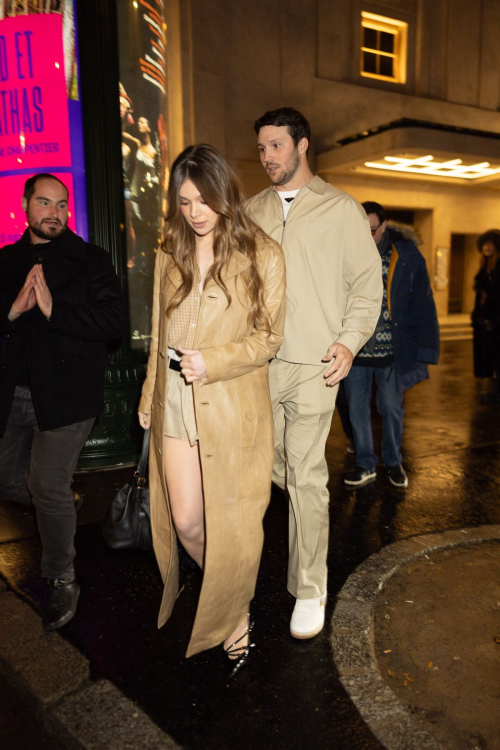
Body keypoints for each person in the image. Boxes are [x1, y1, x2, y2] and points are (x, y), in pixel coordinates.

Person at [137, 144, 285, 673]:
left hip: (228, 401)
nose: (195, 211)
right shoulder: (169, 254)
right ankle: (232, 600)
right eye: (184, 201)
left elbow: (270, 338)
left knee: (232, 522)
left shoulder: (260, 252)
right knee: (187, 522)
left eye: (204, 199)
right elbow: (159, 334)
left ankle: (232, 614)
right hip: (175, 398)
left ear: (224, 194)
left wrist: (214, 362)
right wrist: (150, 392)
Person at [247, 108, 382, 639]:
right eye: (261, 149)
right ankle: (311, 522)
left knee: (304, 476)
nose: (267, 157)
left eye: (276, 146)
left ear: (302, 145)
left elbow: (367, 288)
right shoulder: (251, 210)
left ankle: (310, 587)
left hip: (314, 363)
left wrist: (348, 343)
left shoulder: (341, 210)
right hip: (258, 364)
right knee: (273, 468)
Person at [0, 173, 126, 631]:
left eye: (61, 205)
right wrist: (13, 310)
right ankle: (60, 505)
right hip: (13, 394)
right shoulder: (6, 261)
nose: (54, 212)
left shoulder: (90, 259)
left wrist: (55, 310)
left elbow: (114, 320)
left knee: (47, 486)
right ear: (25, 206)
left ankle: (61, 577)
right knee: (18, 481)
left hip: (68, 398)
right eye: (44, 203)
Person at [344, 202, 440, 489]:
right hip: (355, 349)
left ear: (384, 226)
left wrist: (426, 349)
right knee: (357, 409)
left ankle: (393, 461)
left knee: (391, 407)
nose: (368, 234)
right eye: (363, 228)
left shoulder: (407, 256)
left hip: (391, 350)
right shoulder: (347, 253)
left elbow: (423, 304)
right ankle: (365, 464)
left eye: (373, 229)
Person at [471, 229, 500, 403]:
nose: (487, 247)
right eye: (485, 244)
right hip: (484, 321)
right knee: (486, 355)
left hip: (496, 321)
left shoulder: (498, 268)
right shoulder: (484, 268)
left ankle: (496, 391)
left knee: (496, 355)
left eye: (490, 244)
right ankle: (492, 390)